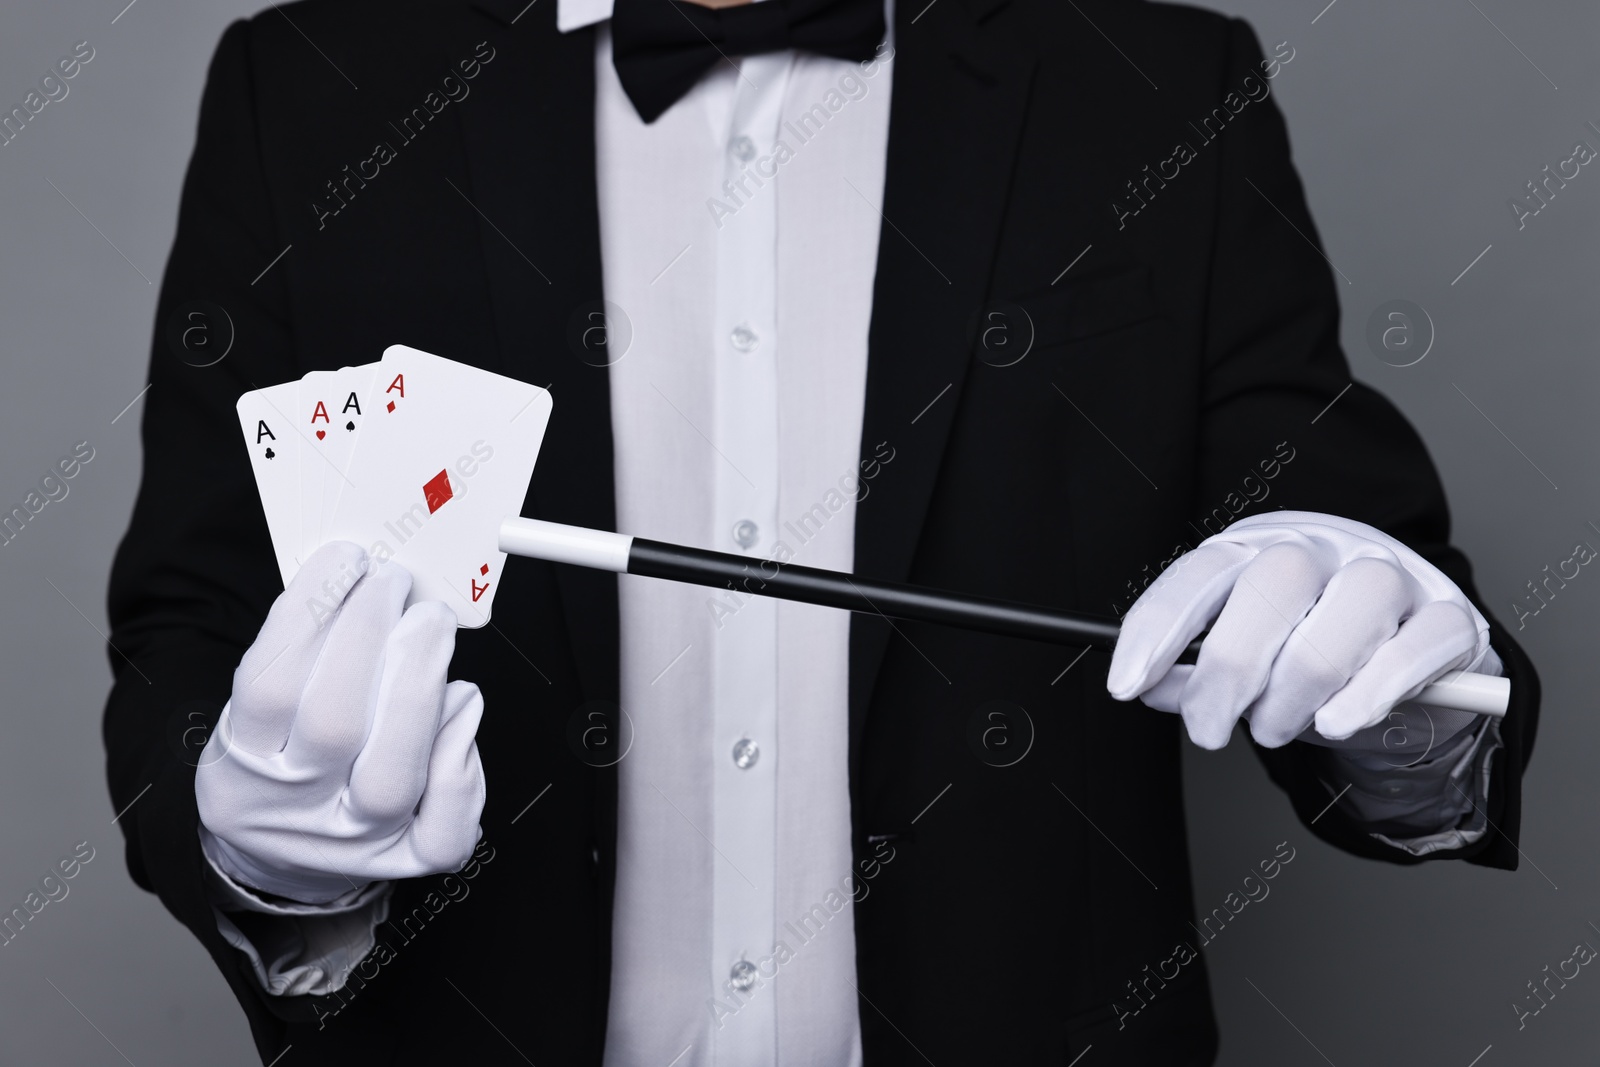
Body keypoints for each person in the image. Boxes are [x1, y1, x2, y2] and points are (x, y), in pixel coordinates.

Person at [103, 0, 1538, 1063]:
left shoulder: (1158, 85)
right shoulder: (308, 89)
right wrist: (262, 854)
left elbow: (1333, 539)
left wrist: (1389, 667)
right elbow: (191, 618)